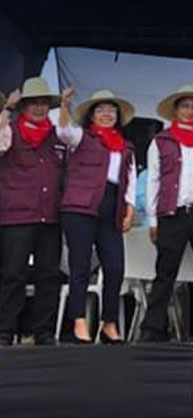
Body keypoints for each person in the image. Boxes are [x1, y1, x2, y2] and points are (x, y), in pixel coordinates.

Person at [140, 85, 193, 341]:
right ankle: (153, 328)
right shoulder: (161, 141)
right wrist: (153, 219)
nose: (189, 111)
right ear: (175, 111)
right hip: (172, 215)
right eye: (185, 106)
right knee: (165, 273)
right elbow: (153, 180)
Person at [57, 89, 137, 344]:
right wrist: (64, 107)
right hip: (81, 206)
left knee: (115, 267)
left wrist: (130, 207)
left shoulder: (126, 146)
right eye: (100, 110)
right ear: (92, 115)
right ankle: (79, 320)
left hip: (112, 205)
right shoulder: (82, 137)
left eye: (111, 110)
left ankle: (109, 322)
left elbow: (130, 179)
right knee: (80, 265)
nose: (106, 114)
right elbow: (63, 132)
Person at [0, 78, 68, 346]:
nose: (39, 107)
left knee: (48, 275)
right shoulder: (9, 130)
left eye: (44, 103)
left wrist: (66, 107)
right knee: (13, 274)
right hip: (16, 216)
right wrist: (7, 109)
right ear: (23, 106)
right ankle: (5, 331)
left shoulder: (57, 135)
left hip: (50, 216)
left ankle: (44, 331)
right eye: (33, 103)